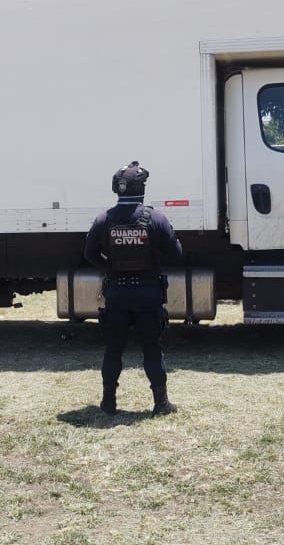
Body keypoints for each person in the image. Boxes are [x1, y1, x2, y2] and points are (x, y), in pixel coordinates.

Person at [84, 161, 183, 416]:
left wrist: (111, 266)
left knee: (113, 348)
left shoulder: (103, 219)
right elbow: (175, 254)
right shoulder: (156, 218)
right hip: (148, 293)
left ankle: (108, 403)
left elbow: (90, 254)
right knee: (151, 347)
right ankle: (161, 403)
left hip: (117, 292)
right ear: (142, 189)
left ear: (116, 189)